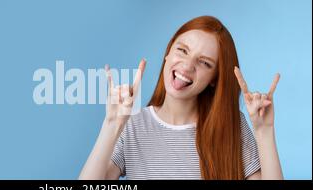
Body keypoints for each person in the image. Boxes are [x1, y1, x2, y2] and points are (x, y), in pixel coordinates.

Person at [79, 16, 283, 180]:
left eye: (204, 63)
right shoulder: (133, 125)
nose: (187, 65)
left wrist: (264, 131)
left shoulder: (231, 125)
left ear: (214, 79)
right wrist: (111, 124)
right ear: (168, 53)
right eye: (182, 50)